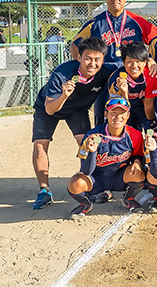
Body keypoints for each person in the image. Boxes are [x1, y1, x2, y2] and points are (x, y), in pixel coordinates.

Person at [31, 37, 116, 209]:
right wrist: (64, 95)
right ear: (79, 57)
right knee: (40, 144)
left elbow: (128, 67)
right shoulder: (62, 73)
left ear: (103, 60)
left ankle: (91, 183)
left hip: (77, 110)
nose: (92, 63)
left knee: (87, 143)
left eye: (97, 59)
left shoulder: (106, 71)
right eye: (88, 58)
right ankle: (44, 191)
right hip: (50, 106)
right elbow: (49, 109)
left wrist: (150, 61)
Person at [71, 0, 157, 125]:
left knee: (139, 116)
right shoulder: (96, 23)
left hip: (133, 72)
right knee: (104, 115)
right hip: (104, 74)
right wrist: (84, 68)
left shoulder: (137, 21)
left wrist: (149, 59)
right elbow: (75, 45)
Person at [66, 98, 146, 219]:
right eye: (113, 112)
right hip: (96, 179)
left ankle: (129, 199)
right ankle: (85, 204)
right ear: (105, 114)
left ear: (128, 115)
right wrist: (92, 152)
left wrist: (136, 162)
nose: (117, 117)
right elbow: (87, 171)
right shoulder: (91, 136)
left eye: (122, 113)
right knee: (75, 183)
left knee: (139, 172)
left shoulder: (135, 135)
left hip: (117, 178)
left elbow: (137, 155)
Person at [107, 41, 157, 130]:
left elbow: (148, 105)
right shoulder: (115, 79)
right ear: (123, 61)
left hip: (145, 104)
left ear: (145, 62)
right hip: (127, 104)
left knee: (153, 130)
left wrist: (151, 126)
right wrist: (124, 92)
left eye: (138, 61)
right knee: (128, 131)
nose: (134, 66)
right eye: (130, 61)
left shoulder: (151, 75)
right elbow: (120, 109)